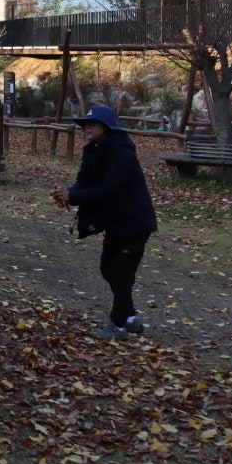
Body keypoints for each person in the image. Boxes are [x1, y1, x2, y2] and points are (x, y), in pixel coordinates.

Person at [52, 105, 158, 340]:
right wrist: (67, 193)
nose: (87, 127)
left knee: (120, 273)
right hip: (115, 221)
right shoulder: (93, 150)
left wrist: (76, 197)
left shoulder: (121, 151)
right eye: (85, 124)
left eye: (92, 123)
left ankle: (117, 325)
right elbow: (84, 182)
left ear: (107, 127)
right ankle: (128, 316)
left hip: (135, 221)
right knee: (107, 268)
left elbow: (112, 189)